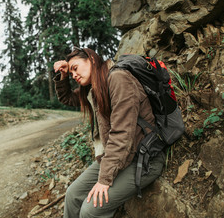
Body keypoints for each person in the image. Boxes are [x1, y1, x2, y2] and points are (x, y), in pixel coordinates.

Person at [53, 47, 165, 218]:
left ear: (91, 59)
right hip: (118, 157)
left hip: (144, 158)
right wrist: (64, 76)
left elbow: (122, 134)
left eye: (75, 68)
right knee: (72, 195)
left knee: (90, 211)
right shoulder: (95, 88)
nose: (74, 75)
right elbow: (68, 98)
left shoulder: (119, 79)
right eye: (72, 72)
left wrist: (104, 180)